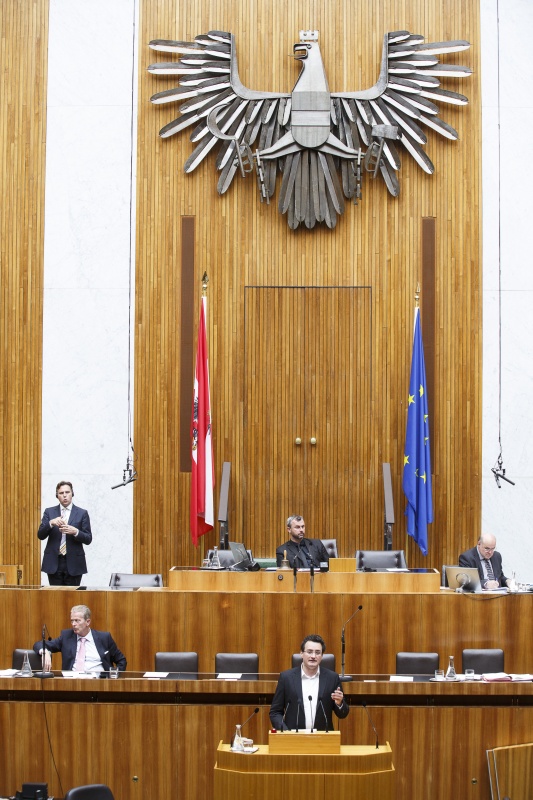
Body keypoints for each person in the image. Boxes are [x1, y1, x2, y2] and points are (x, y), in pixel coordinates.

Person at [270, 634, 349, 731]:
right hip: (293, 738)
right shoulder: (286, 678)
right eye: (309, 652)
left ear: (322, 656)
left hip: (322, 739)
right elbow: (275, 712)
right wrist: (286, 731)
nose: (313, 656)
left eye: (317, 652)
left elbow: (343, 714)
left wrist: (339, 703)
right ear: (301, 653)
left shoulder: (332, 678)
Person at [33, 604, 126, 673]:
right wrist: (45, 652)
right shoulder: (66, 636)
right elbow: (38, 644)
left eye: (77, 620)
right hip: (72, 684)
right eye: (72, 621)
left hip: (98, 683)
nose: (73, 624)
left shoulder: (104, 638)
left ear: (87, 622)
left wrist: (114, 676)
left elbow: (121, 661)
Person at [37, 480, 92, 586]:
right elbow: (40, 535)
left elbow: (88, 538)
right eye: (61, 493)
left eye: (67, 492)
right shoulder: (49, 512)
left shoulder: (82, 513)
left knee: (73, 598)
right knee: (55, 597)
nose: (65, 496)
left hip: (74, 562)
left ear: (72, 493)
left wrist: (75, 532)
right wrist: (50, 523)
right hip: (54, 561)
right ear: (57, 496)